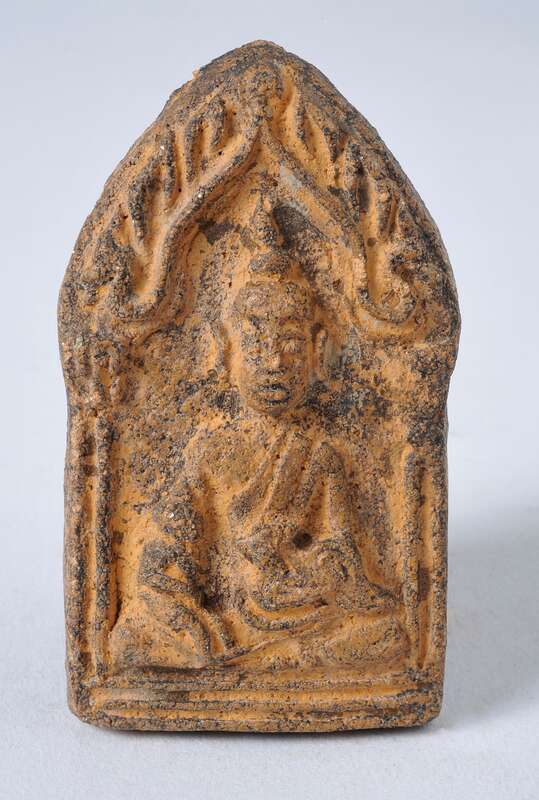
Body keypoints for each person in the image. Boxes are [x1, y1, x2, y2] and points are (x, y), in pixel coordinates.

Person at [110, 260, 408, 673]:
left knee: (389, 634)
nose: (274, 363)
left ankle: (267, 660)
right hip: (229, 612)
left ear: (318, 350)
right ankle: (267, 659)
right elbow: (167, 552)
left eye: (290, 344)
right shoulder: (211, 450)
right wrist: (182, 605)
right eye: (254, 344)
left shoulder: (319, 455)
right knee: (129, 638)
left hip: (297, 607)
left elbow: (343, 556)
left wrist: (311, 564)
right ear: (224, 349)